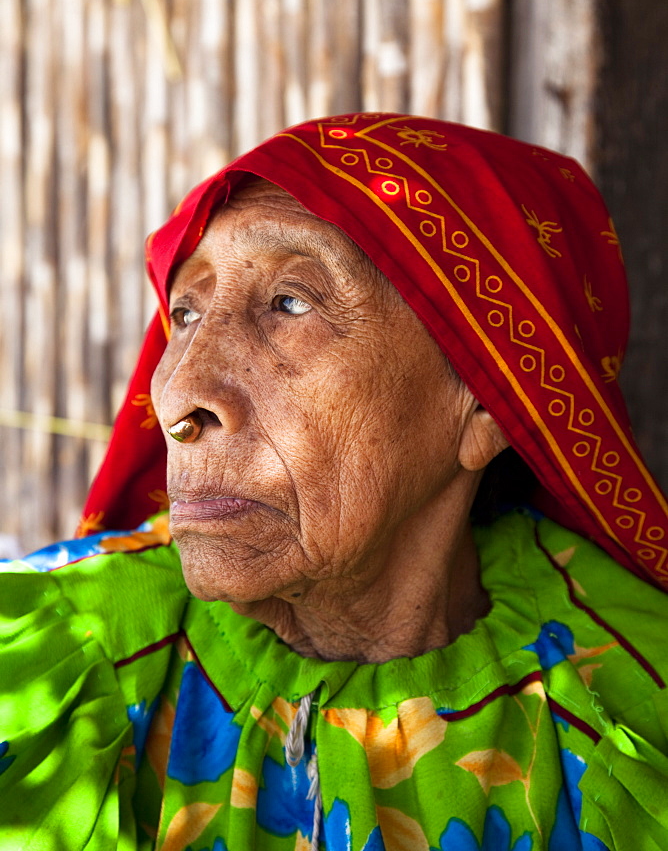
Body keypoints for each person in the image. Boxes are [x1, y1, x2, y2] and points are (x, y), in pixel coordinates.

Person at [1, 113, 667, 851]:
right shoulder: (49, 667)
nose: (181, 394)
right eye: (184, 314)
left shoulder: (629, 707)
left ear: (487, 401)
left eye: (290, 303)